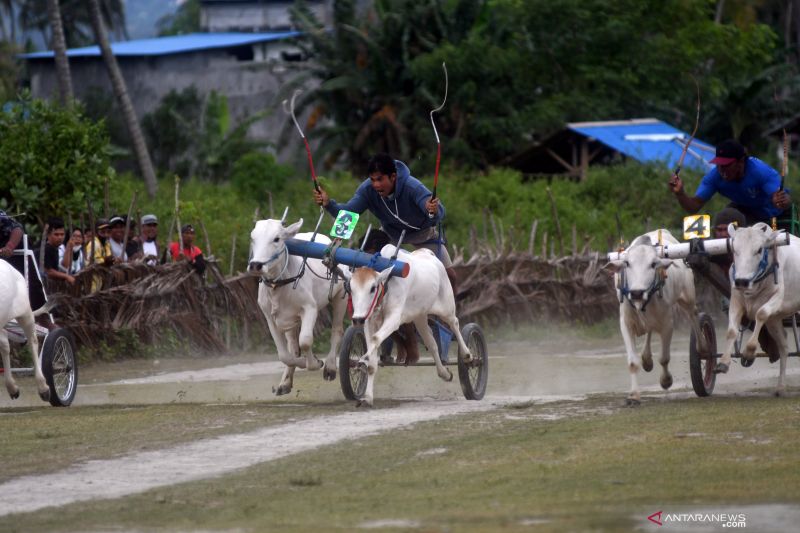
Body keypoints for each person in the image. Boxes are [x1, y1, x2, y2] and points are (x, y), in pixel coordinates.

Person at [313, 153, 458, 294]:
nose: (376, 185)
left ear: (393, 177)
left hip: (422, 234)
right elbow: (349, 214)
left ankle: (450, 312)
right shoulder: (367, 190)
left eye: (380, 179)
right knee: (366, 255)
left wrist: (432, 210)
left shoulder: (412, 187)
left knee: (450, 276)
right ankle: (368, 302)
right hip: (391, 233)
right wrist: (328, 204)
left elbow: (437, 211)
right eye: (372, 180)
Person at [669, 139, 792, 227]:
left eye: (726, 165)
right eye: (719, 164)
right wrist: (680, 194)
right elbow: (693, 207)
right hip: (748, 213)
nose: (721, 170)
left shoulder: (761, 172)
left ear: (741, 162)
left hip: (777, 216)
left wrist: (781, 201)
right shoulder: (714, 177)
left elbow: (782, 201)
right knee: (726, 216)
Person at [0, 210, 53, 327]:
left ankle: (44, 319)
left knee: (29, 282)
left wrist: (9, 247)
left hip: (15, 251)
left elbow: (17, 229)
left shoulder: (2, 218)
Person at [43, 218, 76, 286]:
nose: (60, 237)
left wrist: (68, 248)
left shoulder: (55, 248)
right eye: (56, 234)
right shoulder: (47, 249)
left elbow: (63, 267)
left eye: (62, 234)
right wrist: (66, 276)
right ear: (48, 235)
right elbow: (49, 271)